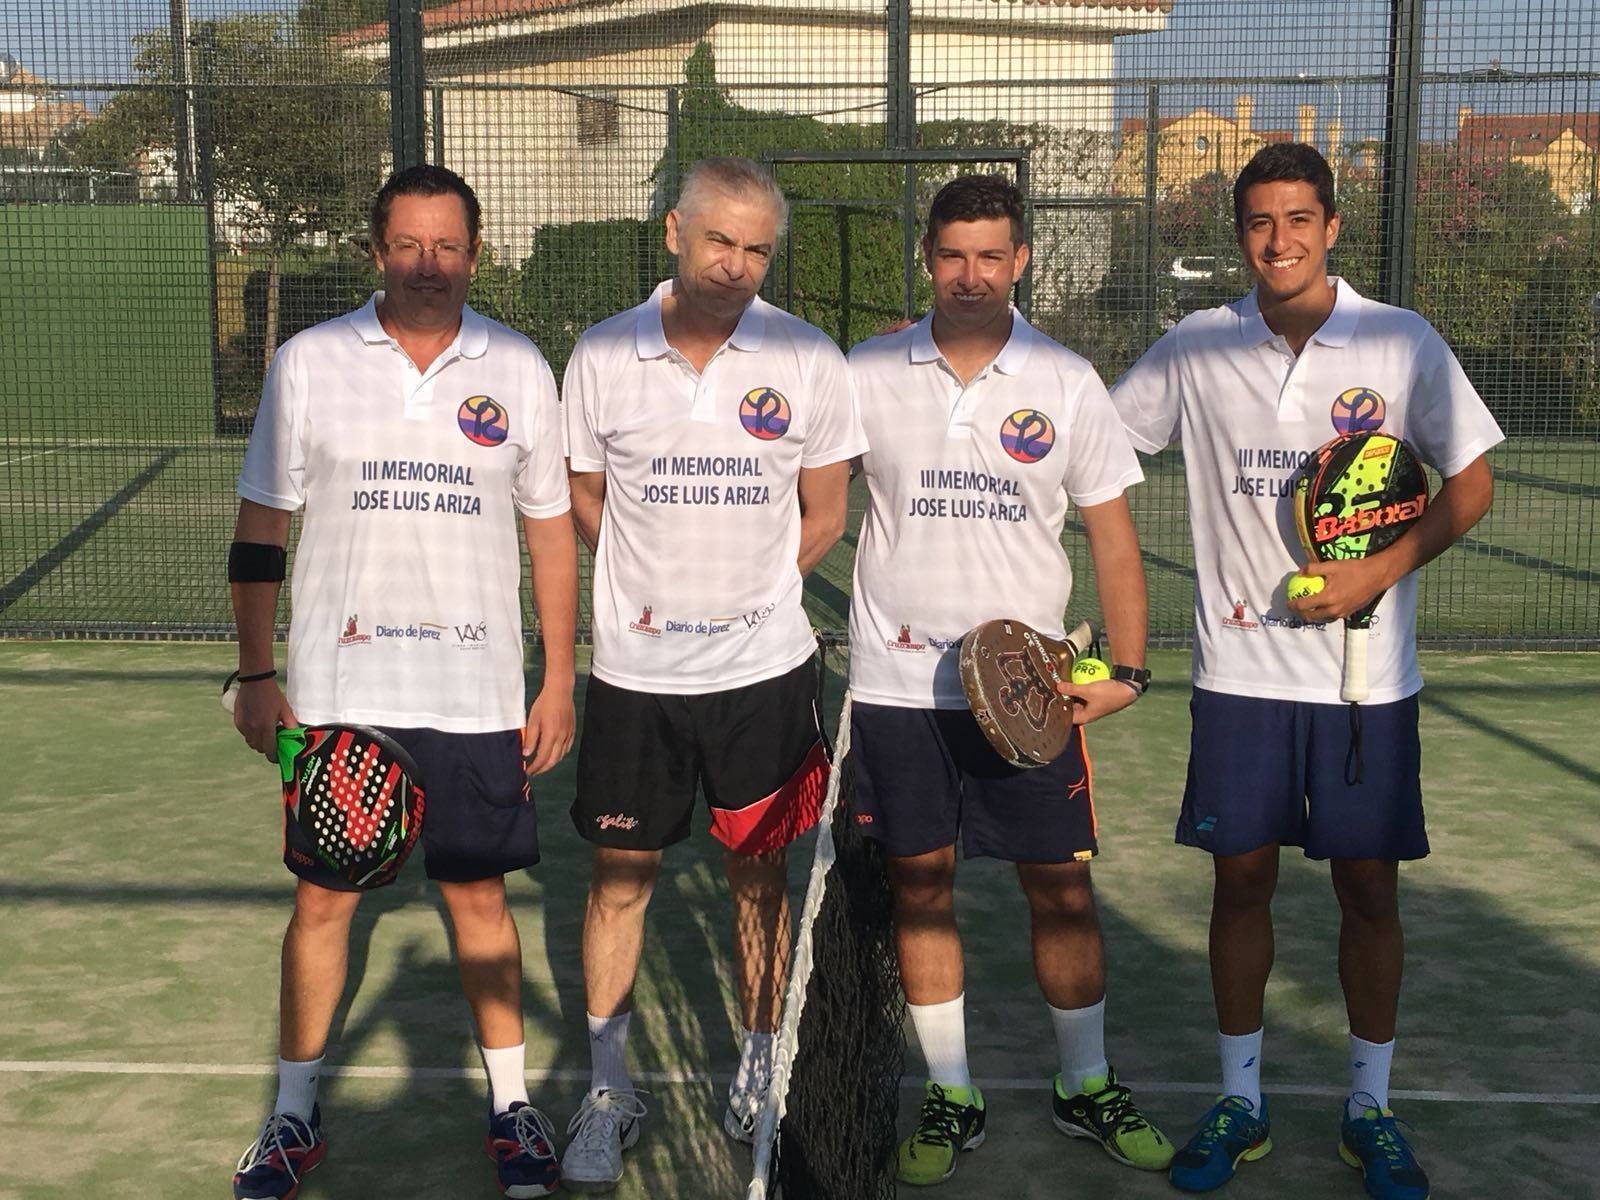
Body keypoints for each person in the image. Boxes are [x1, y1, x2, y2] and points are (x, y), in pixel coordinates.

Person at [1109, 142, 1501, 1200]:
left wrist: (1376, 568)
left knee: (1366, 889)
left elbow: (1470, 486)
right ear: (1238, 235)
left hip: (1363, 687)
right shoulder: (1194, 347)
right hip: (1239, 675)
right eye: (1256, 222)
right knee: (1240, 882)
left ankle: (1368, 1109)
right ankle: (1240, 1101)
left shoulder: (1399, 340)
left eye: (1297, 219)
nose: (1277, 241)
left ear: (1332, 227)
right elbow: (1092, 444)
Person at [227, 164, 579, 1200]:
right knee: (323, 905)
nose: (429, 267)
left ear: (475, 254)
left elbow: (550, 533)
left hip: (474, 693)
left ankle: (512, 1109)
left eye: (448, 247)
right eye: (409, 246)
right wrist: (256, 672)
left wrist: (556, 679)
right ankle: (293, 1118)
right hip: (341, 694)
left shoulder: (516, 365)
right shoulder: (309, 363)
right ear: (374, 251)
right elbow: (260, 530)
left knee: (478, 897)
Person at [846, 173, 1173, 1187]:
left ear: (1020, 260)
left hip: (1029, 691)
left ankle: (1083, 1086)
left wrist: (1125, 672)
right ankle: (952, 1094)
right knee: (921, 885)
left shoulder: (1066, 379)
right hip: (898, 685)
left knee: (1061, 888)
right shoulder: (864, 372)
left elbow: (1114, 541)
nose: (971, 275)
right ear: (928, 257)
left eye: (991, 256)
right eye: (953, 255)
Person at [558, 156, 864, 1192]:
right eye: (718, 240)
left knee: (759, 878)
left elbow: (826, 510)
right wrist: (642, 579)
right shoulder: (602, 353)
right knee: (620, 880)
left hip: (765, 671)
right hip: (636, 674)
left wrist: (755, 592)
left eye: (755, 248)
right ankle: (608, 1087)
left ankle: (757, 1062)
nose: (735, 265)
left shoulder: (807, 355)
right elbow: (581, 494)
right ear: (674, 234)